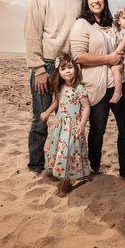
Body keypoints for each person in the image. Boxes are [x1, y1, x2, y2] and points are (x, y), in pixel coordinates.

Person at [70, 0, 125, 182]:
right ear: (86, 3)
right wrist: (109, 59)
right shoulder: (82, 24)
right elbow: (78, 57)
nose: (95, 0)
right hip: (97, 86)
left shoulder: (113, 25)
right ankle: (94, 166)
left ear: (104, 0)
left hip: (120, 83)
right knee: (98, 130)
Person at [24, 0, 82, 174]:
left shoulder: (79, 3)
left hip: (67, 69)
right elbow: (32, 34)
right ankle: (36, 166)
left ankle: (60, 165)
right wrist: (38, 69)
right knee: (41, 120)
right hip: (45, 68)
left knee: (66, 120)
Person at [41, 53, 90, 197]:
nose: (67, 71)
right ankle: (60, 174)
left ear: (75, 68)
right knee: (58, 150)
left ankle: (66, 182)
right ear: (59, 72)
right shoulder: (61, 87)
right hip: (60, 125)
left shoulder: (79, 88)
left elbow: (86, 107)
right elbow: (56, 102)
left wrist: (82, 124)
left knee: (68, 152)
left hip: (73, 127)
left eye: (70, 67)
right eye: (63, 69)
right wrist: (47, 112)